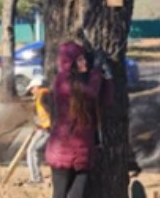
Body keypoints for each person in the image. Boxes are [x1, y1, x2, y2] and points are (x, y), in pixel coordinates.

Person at [45, 41, 112, 198]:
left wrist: (107, 76)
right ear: (70, 63)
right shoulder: (63, 80)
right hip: (62, 151)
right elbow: (90, 93)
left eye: (84, 59)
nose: (84, 63)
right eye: (79, 60)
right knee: (60, 195)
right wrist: (96, 70)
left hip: (83, 152)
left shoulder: (85, 81)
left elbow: (106, 100)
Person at [26, 76, 51, 184]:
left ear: (37, 86)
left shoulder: (43, 95)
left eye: (32, 89)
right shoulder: (47, 94)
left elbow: (51, 113)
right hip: (46, 128)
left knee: (32, 151)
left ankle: (35, 179)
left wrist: (46, 125)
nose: (31, 92)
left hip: (47, 130)